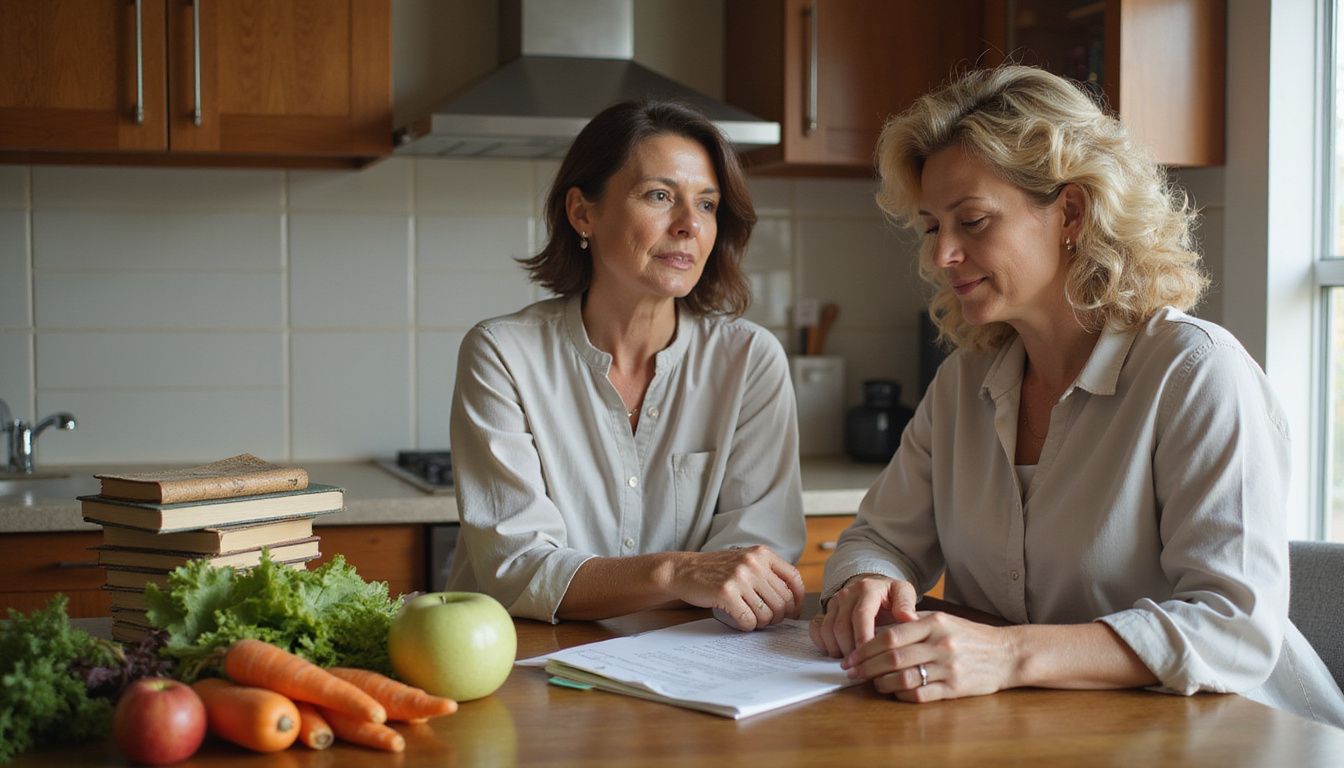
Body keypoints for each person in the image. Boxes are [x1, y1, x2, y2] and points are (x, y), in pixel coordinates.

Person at [810, 65, 1344, 728]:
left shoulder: (1196, 373)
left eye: (972, 221)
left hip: (1239, 739)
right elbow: (878, 537)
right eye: (931, 227)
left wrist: (1009, 656)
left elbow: (1233, 628)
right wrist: (864, 581)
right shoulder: (962, 386)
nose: (942, 255)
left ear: (1071, 212)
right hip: (1049, 739)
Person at [447, 100, 806, 629]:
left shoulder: (750, 360)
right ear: (582, 213)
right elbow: (517, 568)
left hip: (686, 671)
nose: (689, 225)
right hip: (526, 669)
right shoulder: (502, 353)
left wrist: (705, 579)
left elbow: (752, 572)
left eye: (706, 205)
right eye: (660, 196)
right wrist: (676, 573)